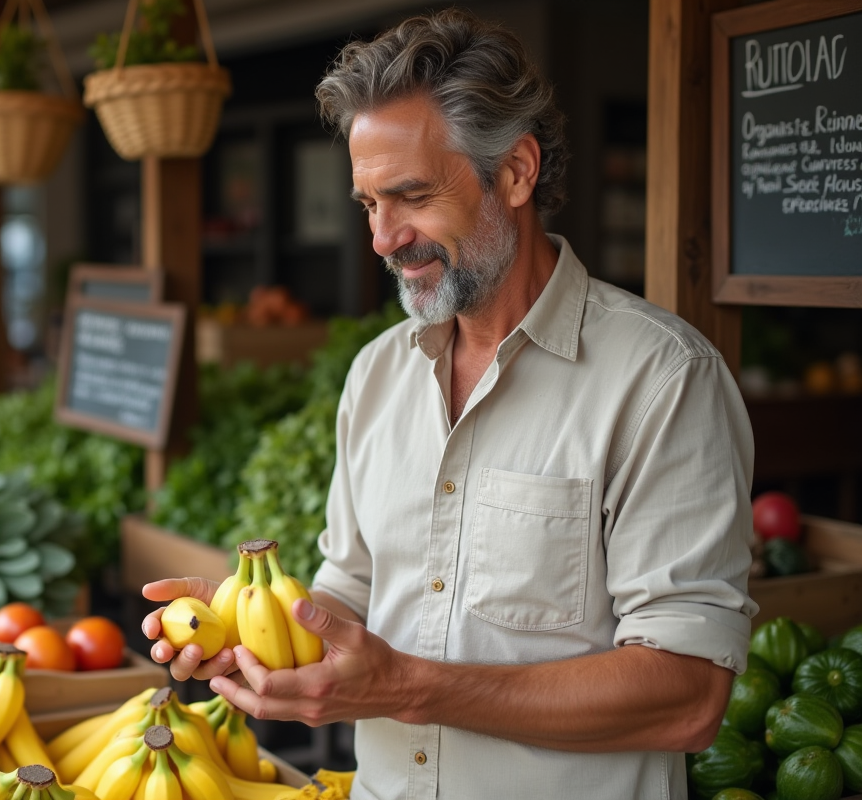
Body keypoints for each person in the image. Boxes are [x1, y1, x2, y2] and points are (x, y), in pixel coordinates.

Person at [140, 9, 756, 799]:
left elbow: (689, 696)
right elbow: (353, 592)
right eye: (368, 203)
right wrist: (246, 627)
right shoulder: (376, 376)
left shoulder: (663, 381)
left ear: (516, 172)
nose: (383, 238)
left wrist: (409, 687)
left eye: (412, 195)